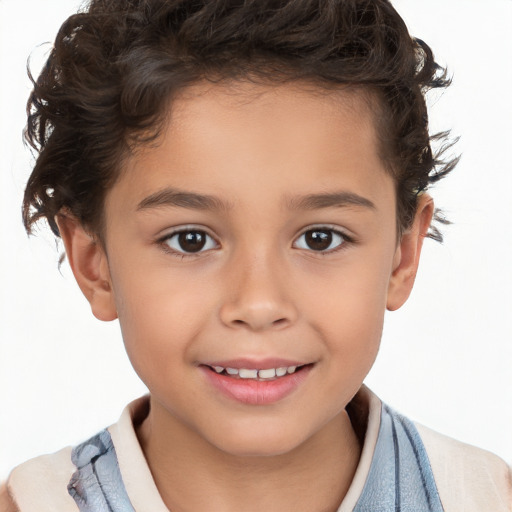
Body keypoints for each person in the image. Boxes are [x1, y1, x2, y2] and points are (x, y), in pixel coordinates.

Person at [1, 0, 510, 510]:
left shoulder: (484, 496)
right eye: (190, 240)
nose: (260, 303)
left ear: (402, 254)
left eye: (320, 238)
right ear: (96, 265)